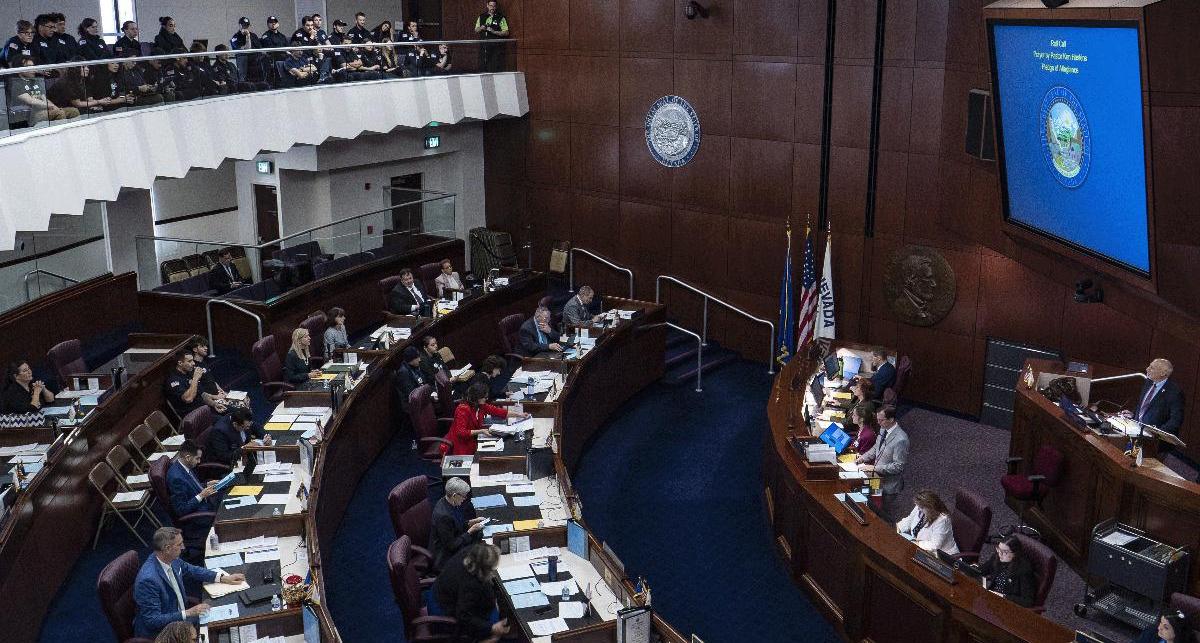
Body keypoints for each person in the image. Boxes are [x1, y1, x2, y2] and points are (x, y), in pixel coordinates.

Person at [133, 527, 244, 638]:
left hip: (180, 615)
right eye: (179, 544)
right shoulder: (148, 580)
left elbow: (192, 570)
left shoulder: (171, 559)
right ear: (167, 548)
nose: (183, 547)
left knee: (222, 617)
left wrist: (223, 578)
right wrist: (188, 613)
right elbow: (152, 621)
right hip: (163, 632)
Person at [432, 543, 510, 643]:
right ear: (483, 569)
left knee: (494, 603)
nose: (493, 571)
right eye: (491, 568)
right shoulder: (470, 584)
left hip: (441, 591)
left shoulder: (470, 553)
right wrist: (492, 627)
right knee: (495, 636)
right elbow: (463, 616)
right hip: (442, 610)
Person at [855, 405, 908, 522]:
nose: (878, 423)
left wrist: (874, 468)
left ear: (891, 419)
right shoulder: (883, 430)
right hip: (876, 479)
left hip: (888, 486)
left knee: (884, 517)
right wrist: (862, 458)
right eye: (877, 419)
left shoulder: (901, 440)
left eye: (881, 420)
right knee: (870, 506)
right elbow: (875, 448)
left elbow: (898, 466)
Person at [447, 382, 527, 456]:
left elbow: (499, 412)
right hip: (462, 444)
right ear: (477, 397)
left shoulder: (481, 405)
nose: (486, 399)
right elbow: (461, 432)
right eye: (484, 397)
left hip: (473, 438)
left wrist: (520, 415)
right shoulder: (463, 409)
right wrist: (481, 431)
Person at [430, 477, 486, 572]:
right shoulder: (444, 516)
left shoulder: (447, 502)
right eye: (464, 496)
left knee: (480, 536)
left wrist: (472, 521)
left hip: (452, 541)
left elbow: (456, 524)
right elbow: (452, 546)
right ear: (455, 495)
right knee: (483, 554)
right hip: (445, 556)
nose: (465, 499)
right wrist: (469, 531)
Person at [1124, 358, 1185, 438]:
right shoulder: (1148, 383)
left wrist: (1157, 434)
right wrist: (1133, 415)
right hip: (1136, 432)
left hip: (1154, 441)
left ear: (1163, 373)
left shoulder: (1174, 392)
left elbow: (1175, 421)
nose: (1147, 369)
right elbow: (1143, 405)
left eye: (1152, 368)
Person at [10, 57, 80, 122]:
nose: (33, 69)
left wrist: (54, 107)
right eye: (29, 67)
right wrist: (50, 106)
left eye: (33, 66)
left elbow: (44, 98)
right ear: (19, 69)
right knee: (59, 113)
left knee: (74, 111)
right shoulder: (16, 84)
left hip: (45, 110)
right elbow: (30, 100)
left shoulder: (34, 81)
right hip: (30, 115)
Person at [977, 535, 1037, 608]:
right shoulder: (998, 556)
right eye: (998, 549)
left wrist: (1003, 596)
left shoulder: (1024, 570)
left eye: (1005, 552)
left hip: (1006, 605)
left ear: (1014, 554)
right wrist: (970, 570)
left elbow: (1027, 601)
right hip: (990, 596)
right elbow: (981, 571)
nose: (1000, 554)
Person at [895, 490, 958, 554]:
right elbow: (909, 520)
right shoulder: (920, 507)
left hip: (938, 554)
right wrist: (898, 527)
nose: (918, 509)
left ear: (931, 508)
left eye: (921, 507)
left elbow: (935, 545)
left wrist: (916, 543)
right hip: (916, 543)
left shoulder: (943, 520)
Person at [204, 405, 270, 467]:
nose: (248, 428)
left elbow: (255, 426)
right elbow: (225, 456)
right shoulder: (220, 432)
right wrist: (245, 448)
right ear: (235, 424)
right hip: (232, 463)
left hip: (248, 456)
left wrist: (266, 436)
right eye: (245, 427)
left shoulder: (243, 418)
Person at [164, 349, 223, 418]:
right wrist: (195, 379)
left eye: (192, 360)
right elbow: (188, 399)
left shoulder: (189, 373)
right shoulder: (173, 380)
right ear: (180, 363)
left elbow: (202, 394)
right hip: (193, 416)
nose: (193, 363)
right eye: (189, 361)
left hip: (204, 409)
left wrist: (214, 404)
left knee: (230, 411)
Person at [186, 335, 226, 401]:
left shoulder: (203, 362)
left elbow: (211, 380)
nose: (206, 348)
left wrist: (221, 390)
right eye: (202, 346)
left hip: (218, 395)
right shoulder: (193, 367)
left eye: (206, 346)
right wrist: (216, 397)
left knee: (245, 399)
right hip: (210, 400)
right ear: (195, 349)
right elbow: (200, 392)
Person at [475, 1, 509, 72]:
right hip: (483, 47)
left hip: (495, 48)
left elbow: (506, 32)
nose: (492, 8)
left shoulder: (500, 17)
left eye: (493, 6)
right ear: (487, 6)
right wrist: (481, 28)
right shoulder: (481, 16)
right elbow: (476, 30)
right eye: (490, 6)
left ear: (496, 7)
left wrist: (494, 32)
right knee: (483, 67)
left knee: (494, 67)